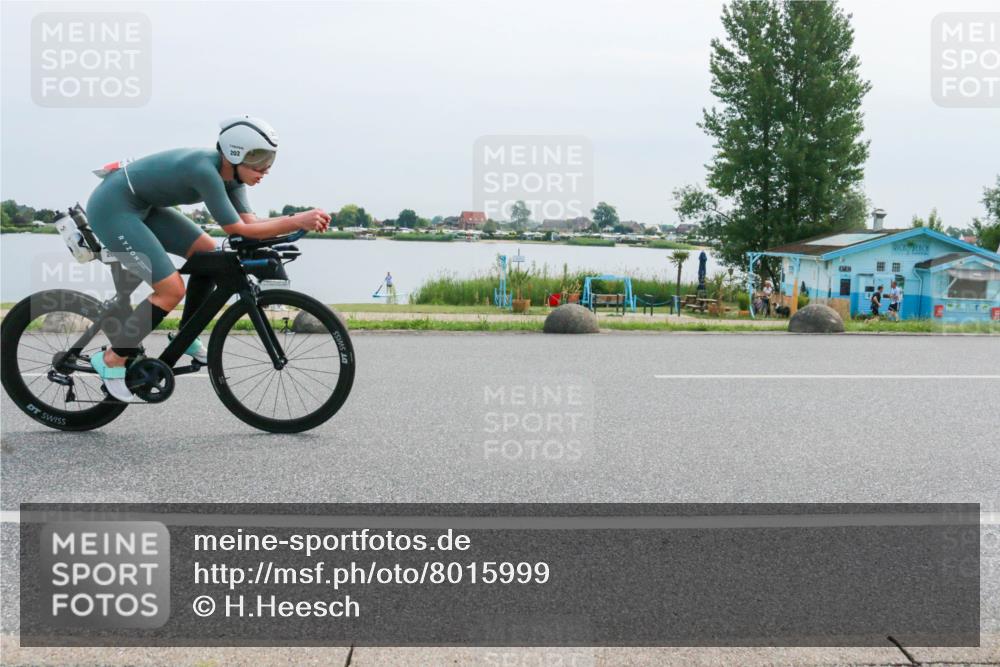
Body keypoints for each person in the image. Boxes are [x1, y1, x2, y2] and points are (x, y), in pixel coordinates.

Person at [84, 115, 331, 401]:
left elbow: (251, 224)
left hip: (143, 207)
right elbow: (237, 230)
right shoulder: (205, 171)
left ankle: (185, 336)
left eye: (270, 159)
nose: (265, 169)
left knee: (209, 255)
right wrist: (297, 220)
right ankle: (112, 358)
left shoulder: (233, 178)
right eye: (259, 159)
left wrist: (297, 220)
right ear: (235, 154)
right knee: (170, 290)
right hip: (113, 208)